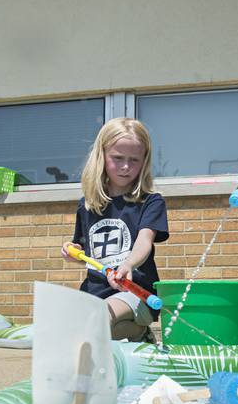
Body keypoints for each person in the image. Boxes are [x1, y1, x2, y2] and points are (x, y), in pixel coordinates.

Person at [61, 118, 169, 342]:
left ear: (144, 161)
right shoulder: (87, 205)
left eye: (134, 160)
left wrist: (128, 264)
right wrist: (73, 252)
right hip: (95, 291)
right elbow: (90, 257)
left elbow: (144, 241)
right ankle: (137, 335)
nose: (126, 166)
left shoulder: (151, 202)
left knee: (99, 319)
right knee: (79, 332)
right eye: (117, 158)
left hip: (134, 290)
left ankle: (139, 331)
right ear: (101, 157)